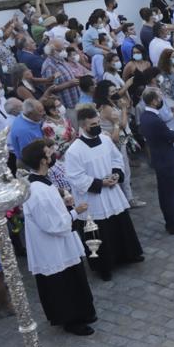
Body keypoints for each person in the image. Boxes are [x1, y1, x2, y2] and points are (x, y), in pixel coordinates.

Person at [18, 140, 97, 336]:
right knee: (63, 285)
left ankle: (84, 312)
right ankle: (71, 320)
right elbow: (52, 224)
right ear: (43, 160)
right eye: (49, 152)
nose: (53, 154)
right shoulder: (37, 191)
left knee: (74, 278)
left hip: (60, 245)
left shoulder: (41, 182)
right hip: (52, 248)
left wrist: (63, 203)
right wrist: (74, 211)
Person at [64, 107, 144, 280]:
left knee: (120, 224)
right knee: (99, 233)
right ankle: (103, 267)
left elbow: (117, 158)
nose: (98, 126)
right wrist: (100, 183)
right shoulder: (74, 151)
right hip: (94, 199)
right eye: (94, 124)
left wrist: (116, 174)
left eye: (99, 122)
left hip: (112, 193)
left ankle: (129, 254)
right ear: (84, 126)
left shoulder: (105, 140)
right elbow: (75, 178)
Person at [138, 88, 174, 234]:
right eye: (159, 98)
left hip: (160, 158)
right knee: (168, 194)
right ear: (154, 101)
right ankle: (173, 224)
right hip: (165, 160)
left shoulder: (146, 116)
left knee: (166, 193)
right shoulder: (154, 119)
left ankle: (173, 220)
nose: (161, 101)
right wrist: (171, 132)